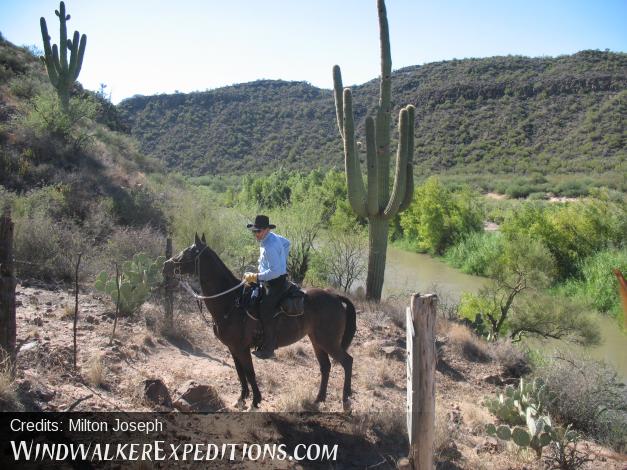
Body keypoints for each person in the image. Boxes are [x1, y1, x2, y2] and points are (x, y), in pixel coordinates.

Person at [243, 215, 291, 359]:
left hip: (276, 282)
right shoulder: (271, 238)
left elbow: (275, 272)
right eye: (254, 231)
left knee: (265, 307)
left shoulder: (269, 246)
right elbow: (287, 243)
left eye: (258, 231)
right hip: (270, 278)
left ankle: (269, 347)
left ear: (265, 230)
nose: (255, 234)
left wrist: (256, 276)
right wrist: (282, 260)